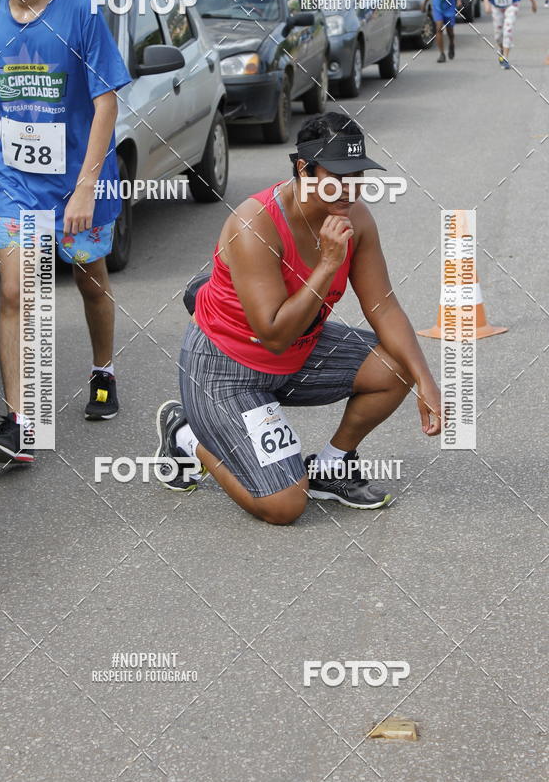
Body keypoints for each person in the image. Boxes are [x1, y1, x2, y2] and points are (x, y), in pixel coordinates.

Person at [155, 113, 442, 526]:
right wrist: (326, 266)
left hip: (296, 354)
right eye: (337, 175)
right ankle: (185, 436)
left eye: (357, 174)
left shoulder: (355, 219)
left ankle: (332, 466)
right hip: (226, 371)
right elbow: (273, 335)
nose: (350, 188)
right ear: (304, 170)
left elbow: (383, 306)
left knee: (396, 365)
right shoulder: (255, 224)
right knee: (285, 505)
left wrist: (425, 379)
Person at [0, 0, 131, 463]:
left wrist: (86, 185)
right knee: (16, 292)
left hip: (80, 181)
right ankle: (21, 424)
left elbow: (106, 100)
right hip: (16, 184)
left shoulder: (80, 11)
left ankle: (103, 369)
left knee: (89, 279)